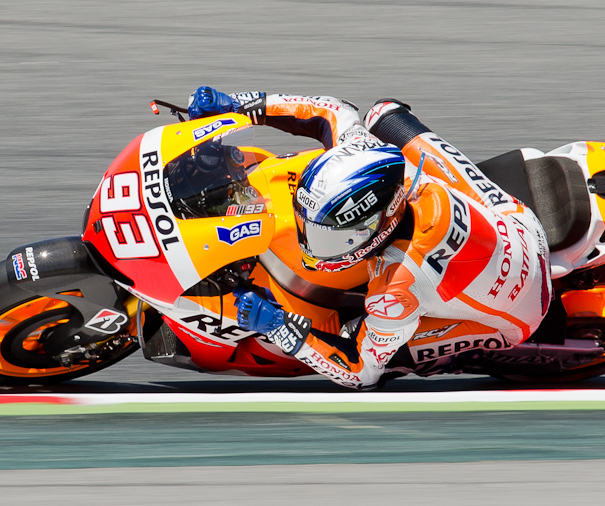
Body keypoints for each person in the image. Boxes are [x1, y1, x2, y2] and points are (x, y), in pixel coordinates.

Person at [188, 87, 552, 389]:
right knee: (384, 114)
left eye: (329, 237)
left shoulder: (394, 291)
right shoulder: (371, 159)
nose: (312, 246)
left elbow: (361, 372)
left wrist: (280, 327)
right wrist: (238, 105)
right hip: (511, 216)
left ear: (379, 223)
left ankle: (448, 352)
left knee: (358, 334)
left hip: (522, 307)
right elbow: (333, 111)